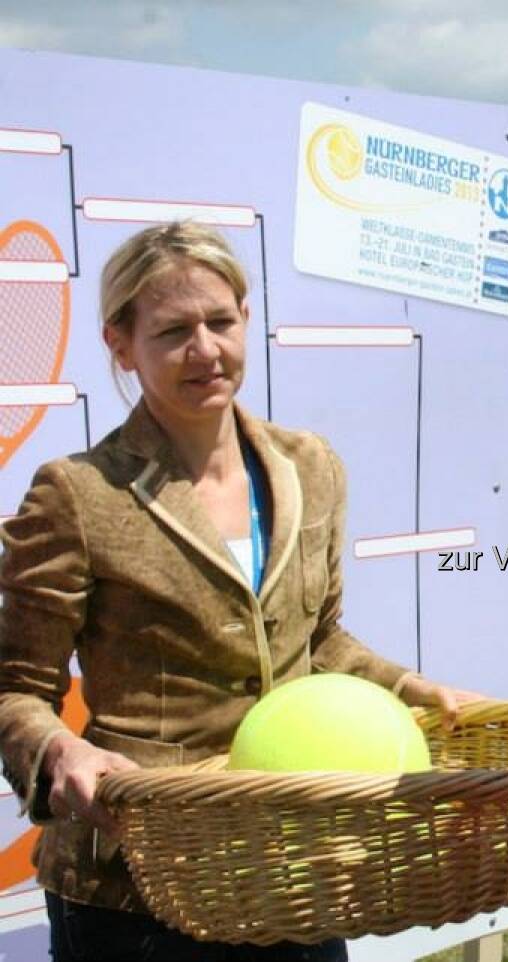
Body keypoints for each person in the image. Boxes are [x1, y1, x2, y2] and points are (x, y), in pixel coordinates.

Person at [0, 221, 477, 962]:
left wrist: (409, 687)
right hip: (135, 882)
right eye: (172, 331)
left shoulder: (309, 466)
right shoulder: (78, 495)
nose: (206, 349)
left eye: (220, 322)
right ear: (120, 345)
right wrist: (59, 752)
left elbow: (318, 643)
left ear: (247, 319)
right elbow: (15, 689)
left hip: (290, 863)